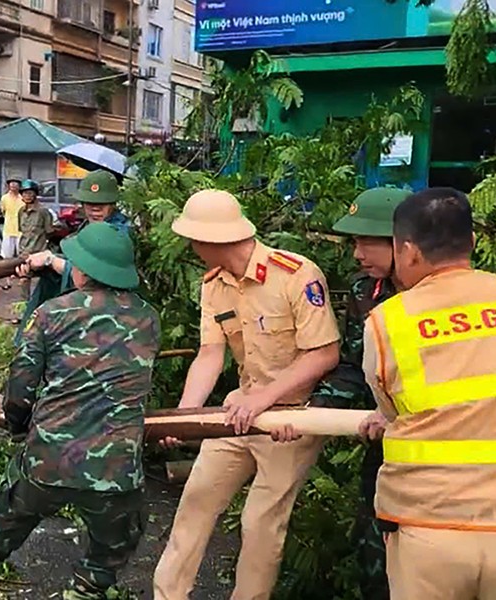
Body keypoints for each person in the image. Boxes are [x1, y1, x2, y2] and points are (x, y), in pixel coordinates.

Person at [153, 190, 341, 600]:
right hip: (240, 410)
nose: (190, 247)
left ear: (211, 239)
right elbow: (210, 353)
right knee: (196, 502)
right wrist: (185, 416)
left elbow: (324, 353)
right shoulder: (214, 285)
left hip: (293, 418)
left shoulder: (295, 274)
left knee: (260, 524)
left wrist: (265, 399)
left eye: (192, 239)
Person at [0, 222, 161, 600]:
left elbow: (19, 390)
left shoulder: (51, 314)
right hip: (116, 469)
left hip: (48, 457)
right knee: (118, 538)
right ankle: (87, 589)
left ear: (82, 269)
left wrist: (18, 430)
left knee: (10, 512)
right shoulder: (149, 318)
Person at [361, 188, 496, 600]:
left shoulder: (389, 322)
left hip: (427, 524)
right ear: (473, 243)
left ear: (409, 251)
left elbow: (388, 408)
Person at [309, 187, 411, 600]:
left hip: (440, 454)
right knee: (372, 551)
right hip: (380, 447)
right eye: (354, 242)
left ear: (402, 242)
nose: (356, 254)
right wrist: (314, 412)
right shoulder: (362, 293)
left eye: (366, 241)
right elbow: (353, 366)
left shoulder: (446, 298)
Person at [14, 170, 131, 338]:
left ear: (113, 205)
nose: (95, 209)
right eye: (90, 204)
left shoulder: (120, 233)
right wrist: (37, 267)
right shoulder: (86, 226)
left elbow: (97, 275)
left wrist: (52, 261)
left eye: (102, 204)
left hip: (102, 320)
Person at [17, 179, 54, 301]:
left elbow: (50, 232)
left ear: (35, 194)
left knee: (43, 284)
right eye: (24, 193)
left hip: (39, 254)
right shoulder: (21, 211)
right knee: (23, 283)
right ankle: (23, 313)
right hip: (24, 253)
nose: (27, 196)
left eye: (30, 193)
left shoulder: (43, 212)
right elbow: (22, 231)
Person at [0, 178, 23, 259]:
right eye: (11, 183)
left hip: (21, 230)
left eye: (15, 183)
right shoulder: (4, 198)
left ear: (19, 186)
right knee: (7, 256)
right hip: (8, 229)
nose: (13, 185)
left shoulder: (23, 198)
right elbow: (2, 211)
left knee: (21, 255)